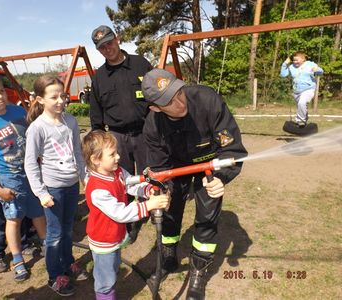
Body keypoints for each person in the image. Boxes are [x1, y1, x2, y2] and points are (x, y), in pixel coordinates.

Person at [141, 69, 248, 300]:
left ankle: (198, 272)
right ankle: (168, 255)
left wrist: (222, 177)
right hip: (175, 167)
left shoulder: (208, 100)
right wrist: (162, 190)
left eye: (179, 92)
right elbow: (159, 167)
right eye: (169, 102)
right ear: (156, 108)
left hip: (210, 165)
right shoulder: (153, 125)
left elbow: (232, 149)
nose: (180, 103)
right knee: (169, 209)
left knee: (207, 215)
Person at [0, 72, 46, 282]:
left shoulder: (17, 111)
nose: (0, 96)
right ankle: (18, 258)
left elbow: (32, 138)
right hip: (9, 180)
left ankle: (47, 245)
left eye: (1, 91)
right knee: (13, 219)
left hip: (31, 174)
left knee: (38, 212)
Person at [81, 130, 170, 300]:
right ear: (96, 159)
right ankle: (105, 295)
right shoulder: (97, 189)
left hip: (115, 236)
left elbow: (131, 185)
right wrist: (148, 205)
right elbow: (120, 213)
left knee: (113, 269)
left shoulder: (118, 172)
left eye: (117, 152)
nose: (118, 157)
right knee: (105, 279)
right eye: (112, 154)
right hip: (103, 241)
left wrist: (148, 189)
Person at [24, 75, 89, 296]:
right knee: (54, 234)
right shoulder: (37, 128)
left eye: (62, 95)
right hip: (52, 189)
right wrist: (41, 193)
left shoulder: (70, 121)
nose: (61, 101)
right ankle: (55, 274)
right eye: (54, 97)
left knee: (68, 229)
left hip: (72, 186)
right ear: (40, 100)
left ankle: (68, 261)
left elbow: (78, 153)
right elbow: (30, 162)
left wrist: (84, 177)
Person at [90, 25, 153, 242]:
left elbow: (156, 95)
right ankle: (130, 221)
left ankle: (155, 210)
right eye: (102, 47)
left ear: (117, 39)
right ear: (98, 51)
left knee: (151, 173)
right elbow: (96, 113)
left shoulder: (141, 64)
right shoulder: (99, 77)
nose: (107, 48)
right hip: (117, 137)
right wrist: (98, 143)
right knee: (122, 181)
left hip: (145, 132)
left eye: (109, 43)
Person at [280, 51, 324, 127]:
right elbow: (283, 75)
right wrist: (285, 64)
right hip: (296, 91)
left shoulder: (310, 64)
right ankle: (304, 122)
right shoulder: (291, 67)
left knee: (302, 103)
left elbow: (321, 72)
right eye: (293, 60)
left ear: (303, 59)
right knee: (301, 107)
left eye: (297, 60)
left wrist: (316, 70)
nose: (295, 62)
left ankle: (300, 121)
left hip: (308, 89)